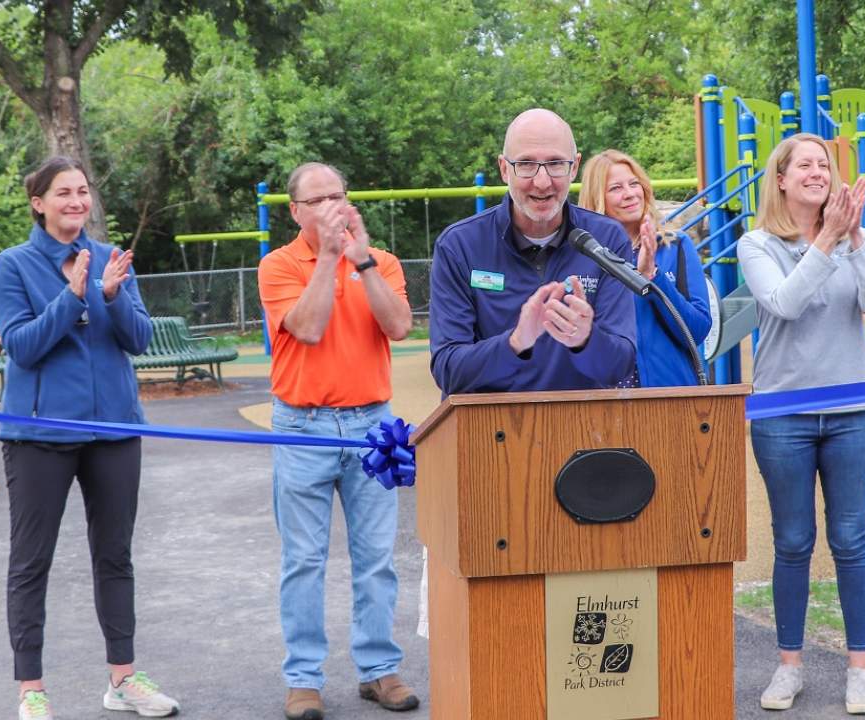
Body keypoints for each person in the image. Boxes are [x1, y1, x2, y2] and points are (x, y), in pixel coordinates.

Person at [0, 157, 179, 720]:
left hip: (115, 429)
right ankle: (31, 689)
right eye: (62, 192)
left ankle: (123, 679)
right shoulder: (13, 264)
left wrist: (114, 296)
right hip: (40, 434)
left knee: (115, 556)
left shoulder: (110, 259)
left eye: (82, 191)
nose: (76, 201)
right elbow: (22, 346)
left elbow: (140, 341)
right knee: (31, 562)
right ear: (38, 202)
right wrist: (72, 297)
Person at [735, 134, 865, 715]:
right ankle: (789, 666)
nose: (817, 172)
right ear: (780, 179)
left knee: (851, 540)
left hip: (853, 415)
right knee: (793, 541)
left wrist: (853, 235)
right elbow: (784, 303)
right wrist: (827, 238)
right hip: (782, 416)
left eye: (824, 165)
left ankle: (860, 670)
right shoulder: (757, 244)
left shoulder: (854, 238)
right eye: (805, 164)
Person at [257, 162, 417, 720]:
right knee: (303, 559)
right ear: (295, 211)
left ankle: (379, 670)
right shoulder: (278, 266)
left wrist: (362, 260)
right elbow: (307, 327)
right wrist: (328, 257)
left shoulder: (382, 261)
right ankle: (303, 679)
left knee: (377, 558)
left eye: (339, 197)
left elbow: (399, 327)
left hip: (373, 422)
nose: (331, 208)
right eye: (317, 200)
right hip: (303, 426)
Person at [429, 108, 636, 395]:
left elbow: (620, 367)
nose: (542, 182)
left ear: (574, 167)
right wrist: (515, 342)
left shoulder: (606, 239)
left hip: (584, 431)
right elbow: (448, 371)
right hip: (489, 433)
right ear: (504, 169)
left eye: (555, 163)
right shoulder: (460, 245)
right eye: (526, 164)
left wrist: (585, 340)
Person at [577, 149, 711, 387]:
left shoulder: (676, 247)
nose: (629, 194)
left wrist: (652, 277)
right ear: (597, 198)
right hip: (604, 402)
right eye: (616, 188)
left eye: (633, 184)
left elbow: (697, 331)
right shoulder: (582, 257)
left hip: (669, 400)